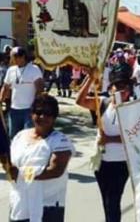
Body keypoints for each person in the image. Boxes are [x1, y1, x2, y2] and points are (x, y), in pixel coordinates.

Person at [76, 63, 133, 222]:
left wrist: (110, 139)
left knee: (113, 201)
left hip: (120, 163)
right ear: (111, 88)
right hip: (102, 161)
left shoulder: (133, 108)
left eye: (125, 87)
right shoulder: (103, 103)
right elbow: (79, 100)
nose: (122, 90)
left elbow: (133, 136)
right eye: (117, 86)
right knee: (106, 201)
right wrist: (90, 79)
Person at [8, 94, 74, 222]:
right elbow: (11, 164)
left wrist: (22, 173)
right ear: (32, 114)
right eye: (39, 112)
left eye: (48, 113)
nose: (43, 117)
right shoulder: (20, 136)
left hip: (47, 206)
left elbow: (56, 170)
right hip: (20, 203)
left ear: (55, 117)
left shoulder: (60, 141)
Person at [0, 47, 44, 139]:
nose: (13, 59)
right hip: (14, 110)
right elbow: (5, 87)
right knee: (14, 137)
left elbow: (39, 88)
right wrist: (0, 101)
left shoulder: (34, 69)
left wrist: (35, 105)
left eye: (15, 57)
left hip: (29, 110)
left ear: (23, 56)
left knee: (28, 137)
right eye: (12, 57)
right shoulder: (11, 70)